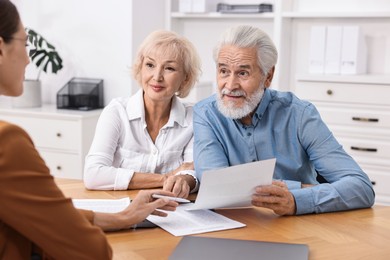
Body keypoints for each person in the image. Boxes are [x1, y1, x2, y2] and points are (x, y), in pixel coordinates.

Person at [0, 1, 178, 259]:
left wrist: (121, 217)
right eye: (25, 44)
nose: (29, 58)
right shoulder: (7, 142)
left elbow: (35, 216)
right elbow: (92, 251)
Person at [193, 25, 375, 216]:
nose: (230, 85)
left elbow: (361, 188)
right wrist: (300, 188)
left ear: (268, 76)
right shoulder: (206, 114)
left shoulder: (300, 114)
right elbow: (214, 186)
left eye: (242, 73)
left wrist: (296, 201)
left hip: (301, 226)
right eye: (223, 71)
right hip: (237, 224)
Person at [84, 30, 202, 198]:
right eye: (150, 65)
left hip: (172, 211)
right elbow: (93, 174)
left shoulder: (193, 118)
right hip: (122, 209)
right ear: (140, 67)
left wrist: (184, 179)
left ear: (185, 78)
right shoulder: (117, 112)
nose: (157, 76)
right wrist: (167, 178)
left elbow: (193, 171)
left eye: (169, 68)